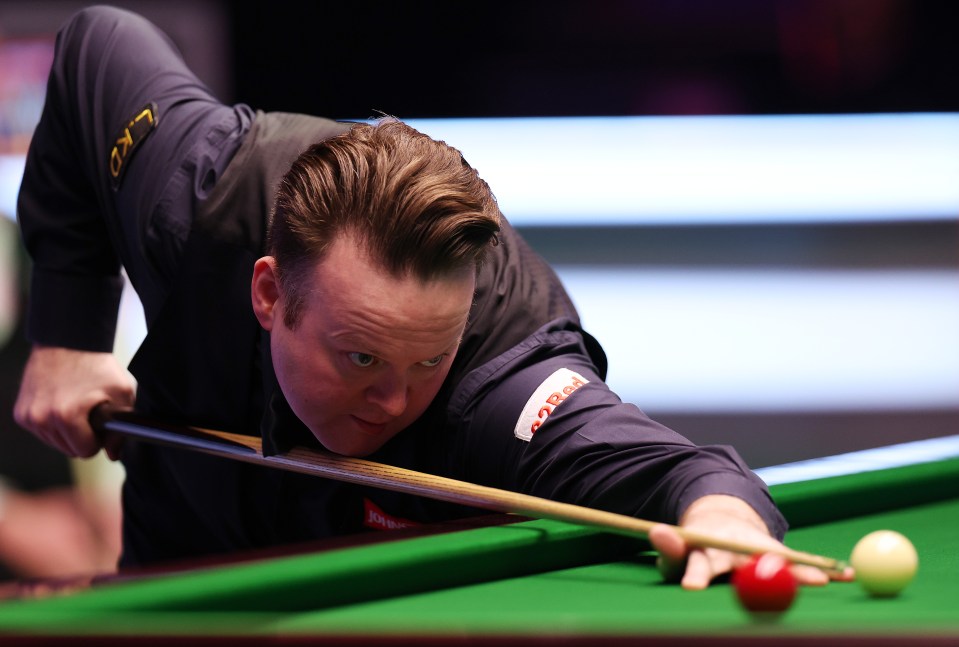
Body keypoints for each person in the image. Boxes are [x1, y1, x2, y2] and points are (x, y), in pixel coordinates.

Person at [13, 6, 838, 589]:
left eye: (426, 360)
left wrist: (724, 515)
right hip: (185, 530)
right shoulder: (197, 202)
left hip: (375, 590)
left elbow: (675, 470)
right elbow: (96, 45)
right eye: (360, 355)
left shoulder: (502, 384)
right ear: (269, 292)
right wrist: (67, 334)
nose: (393, 399)